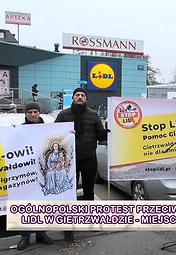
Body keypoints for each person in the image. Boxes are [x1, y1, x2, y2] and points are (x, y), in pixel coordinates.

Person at [55, 87, 108, 242]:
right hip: (68, 161)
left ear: (86, 98)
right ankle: (69, 223)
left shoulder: (93, 115)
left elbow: (99, 135)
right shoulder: (64, 115)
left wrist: (106, 132)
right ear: (73, 98)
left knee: (89, 190)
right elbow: (53, 133)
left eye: (82, 95)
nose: (79, 97)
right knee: (69, 192)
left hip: (89, 159)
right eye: (77, 95)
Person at [16, 102, 54, 250]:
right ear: (25, 114)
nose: (33, 114)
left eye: (35, 112)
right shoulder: (19, 130)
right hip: (25, 174)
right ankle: (24, 237)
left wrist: (70, 134)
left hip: (44, 173)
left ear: (39, 113)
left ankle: (41, 234)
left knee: (42, 204)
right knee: (25, 205)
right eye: (30, 112)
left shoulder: (49, 130)